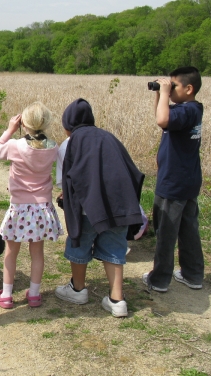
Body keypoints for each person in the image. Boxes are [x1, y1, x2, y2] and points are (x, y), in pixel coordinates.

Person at [54, 99, 144, 318]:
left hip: (88, 208)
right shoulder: (109, 137)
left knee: (79, 244)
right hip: (119, 207)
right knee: (114, 249)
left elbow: (65, 181)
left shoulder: (71, 142)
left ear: (68, 125)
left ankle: (77, 290)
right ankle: (117, 300)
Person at [0, 102, 64, 309]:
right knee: (37, 253)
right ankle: (34, 294)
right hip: (42, 208)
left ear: (24, 123)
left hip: (19, 208)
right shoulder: (53, 147)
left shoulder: (16, 145)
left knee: (11, 252)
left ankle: (6, 295)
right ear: (46, 123)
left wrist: (10, 129)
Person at [143, 66, 204, 292]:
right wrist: (161, 93)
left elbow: (162, 120)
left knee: (166, 232)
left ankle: (158, 280)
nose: (170, 88)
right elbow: (161, 114)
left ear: (189, 89)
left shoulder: (185, 112)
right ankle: (193, 275)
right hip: (189, 181)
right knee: (189, 230)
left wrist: (165, 94)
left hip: (173, 182)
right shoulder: (192, 110)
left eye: (174, 85)